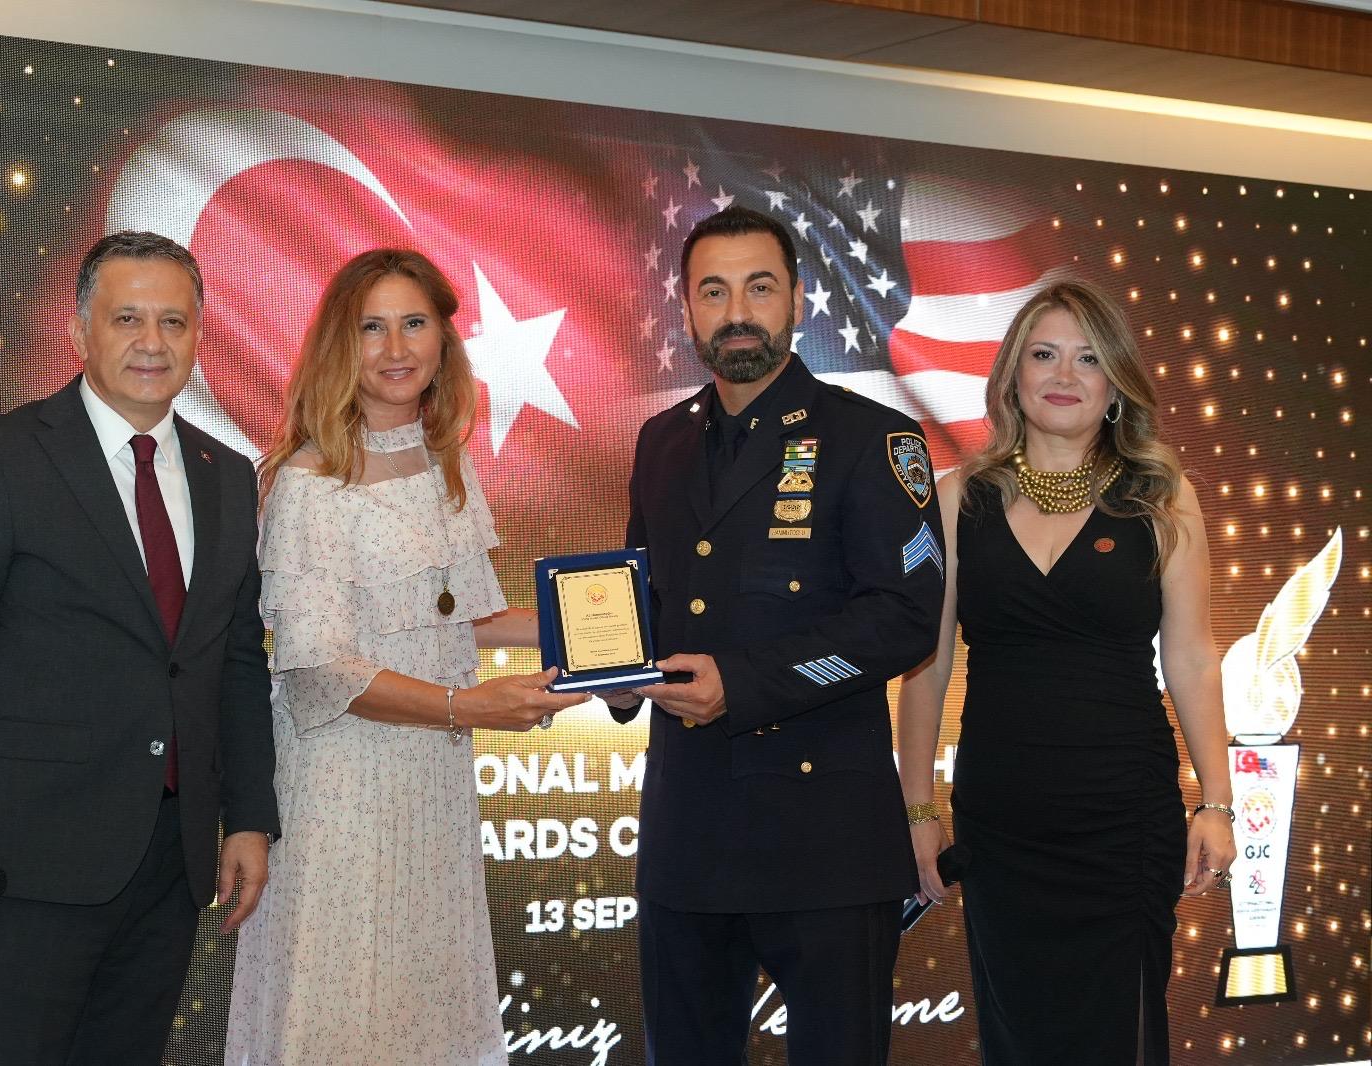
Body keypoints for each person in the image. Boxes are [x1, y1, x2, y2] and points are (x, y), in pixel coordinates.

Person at [0, 230, 280, 1065]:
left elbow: (239, 662)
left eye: (173, 321)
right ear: (80, 331)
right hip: (32, 849)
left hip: (173, 858)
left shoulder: (228, 473)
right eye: (127, 318)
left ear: (198, 335)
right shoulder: (2, 454)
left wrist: (250, 817)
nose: (152, 342)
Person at [225, 248, 585, 1065]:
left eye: (414, 323)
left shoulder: (442, 458)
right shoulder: (308, 482)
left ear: (443, 338)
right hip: (341, 786)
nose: (396, 348)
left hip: (431, 782)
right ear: (338, 344)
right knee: (343, 1007)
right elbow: (320, 667)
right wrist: (467, 707)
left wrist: (606, 631)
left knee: (426, 1005)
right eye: (372, 328)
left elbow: (460, 619)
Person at [605, 205, 945, 1064]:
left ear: (796, 299)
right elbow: (644, 599)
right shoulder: (659, 442)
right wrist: (605, 667)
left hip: (825, 841)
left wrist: (744, 682)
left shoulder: (873, 438)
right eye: (713, 292)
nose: (737, 313)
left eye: (759, 288)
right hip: (688, 836)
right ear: (686, 308)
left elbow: (904, 617)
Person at [897, 278, 1238, 1065]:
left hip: (1125, 821)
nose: (1064, 375)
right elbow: (925, 667)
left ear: (1115, 384)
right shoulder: (956, 499)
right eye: (1044, 354)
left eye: (1088, 359)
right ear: (1012, 375)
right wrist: (916, 812)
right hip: (1002, 825)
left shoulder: (1163, 497)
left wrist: (1218, 802)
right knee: (1018, 1040)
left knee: (1123, 1038)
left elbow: (1192, 658)